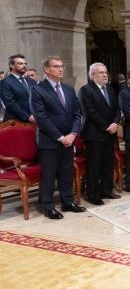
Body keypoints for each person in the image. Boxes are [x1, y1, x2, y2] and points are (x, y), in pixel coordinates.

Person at [30, 56, 86, 219]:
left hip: (69, 139)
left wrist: (73, 134)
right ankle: (47, 206)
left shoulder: (69, 89)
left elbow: (78, 114)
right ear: (47, 69)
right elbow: (41, 117)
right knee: (48, 174)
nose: (61, 69)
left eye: (62, 66)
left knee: (66, 172)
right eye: (56, 66)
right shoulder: (38, 89)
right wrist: (61, 137)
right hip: (50, 141)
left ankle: (67, 202)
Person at [78, 63, 121, 206]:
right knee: (94, 166)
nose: (105, 75)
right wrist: (106, 126)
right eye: (101, 73)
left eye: (106, 72)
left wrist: (115, 123)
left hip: (110, 133)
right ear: (92, 75)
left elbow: (117, 109)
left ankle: (106, 190)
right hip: (94, 134)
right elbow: (89, 112)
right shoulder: (85, 90)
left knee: (108, 164)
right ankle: (93, 195)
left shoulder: (110, 90)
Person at [2, 54, 36, 123]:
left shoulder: (31, 81)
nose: (24, 66)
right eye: (20, 63)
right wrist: (28, 117)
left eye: (25, 63)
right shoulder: (5, 82)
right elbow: (10, 104)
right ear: (12, 65)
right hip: (15, 122)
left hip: (34, 120)